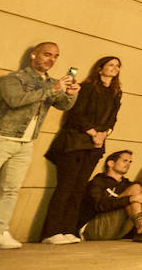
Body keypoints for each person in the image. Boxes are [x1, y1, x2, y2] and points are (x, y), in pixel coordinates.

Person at [0, 41, 79, 248]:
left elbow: (63, 105)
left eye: (55, 56)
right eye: (46, 54)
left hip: (26, 144)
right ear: (33, 55)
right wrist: (52, 89)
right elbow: (15, 100)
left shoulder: (52, 82)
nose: (51, 59)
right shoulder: (14, 78)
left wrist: (71, 94)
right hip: (0, 138)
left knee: (10, 189)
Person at [40, 55, 123, 245]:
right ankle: (50, 232)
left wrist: (104, 134)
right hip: (74, 143)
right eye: (110, 65)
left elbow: (113, 118)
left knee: (78, 189)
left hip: (95, 145)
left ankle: (69, 229)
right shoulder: (87, 87)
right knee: (65, 187)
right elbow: (76, 114)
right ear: (100, 68)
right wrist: (94, 133)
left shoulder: (116, 93)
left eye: (117, 66)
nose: (114, 68)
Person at [78, 150, 142, 242]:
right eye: (125, 161)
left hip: (117, 230)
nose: (128, 164)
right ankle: (141, 228)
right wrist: (130, 199)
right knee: (135, 189)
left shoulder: (127, 184)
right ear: (111, 163)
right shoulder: (98, 182)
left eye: (130, 162)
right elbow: (99, 205)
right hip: (94, 229)